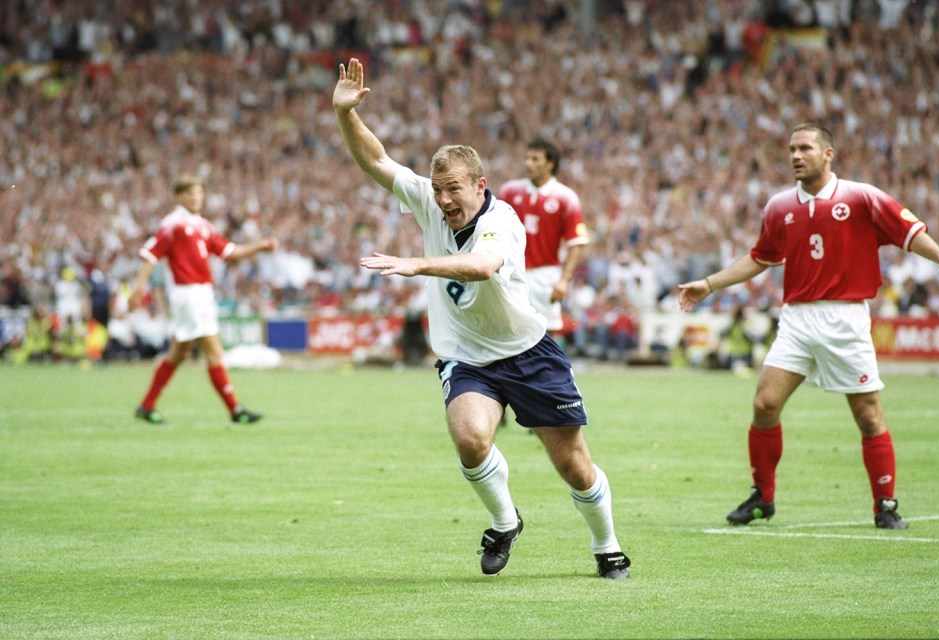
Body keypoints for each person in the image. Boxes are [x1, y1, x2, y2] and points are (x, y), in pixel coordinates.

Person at [333, 58, 630, 579]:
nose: (443, 200)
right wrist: (345, 116)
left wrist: (416, 264)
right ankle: (505, 519)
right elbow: (376, 161)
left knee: (573, 465)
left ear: (479, 185)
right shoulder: (429, 200)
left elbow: (482, 266)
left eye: (454, 189)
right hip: (468, 359)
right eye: (437, 188)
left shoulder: (503, 220)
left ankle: (606, 546)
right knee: (470, 439)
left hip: (528, 352)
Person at [678, 123, 939, 530]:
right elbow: (761, 257)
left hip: (845, 317)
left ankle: (886, 504)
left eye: (805, 148)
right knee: (764, 404)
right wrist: (709, 283)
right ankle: (763, 498)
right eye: (791, 149)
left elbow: (907, 231)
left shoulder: (860, 196)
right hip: (796, 317)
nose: (795, 155)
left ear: (828, 154)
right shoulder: (778, 206)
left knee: (867, 415)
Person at [129, 174, 278, 425]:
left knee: (178, 353)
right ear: (179, 196)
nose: (196, 198)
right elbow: (150, 255)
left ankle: (146, 405)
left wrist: (260, 246)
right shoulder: (173, 223)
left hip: (200, 294)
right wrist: (138, 288)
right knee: (214, 350)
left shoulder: (203, 225)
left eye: (199, 193)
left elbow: (229, 252)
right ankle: (235, 409)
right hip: (189, 294)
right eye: (190, 193)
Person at [498, 138, 589, 339]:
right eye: (527, 158)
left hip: (544, 275)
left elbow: (577, 243)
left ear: (550, 164)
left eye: (535, 159)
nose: (528, 163)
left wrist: (564, 280)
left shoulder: (565, 197)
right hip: (511, 271)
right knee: (507, 330)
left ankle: (548, 370)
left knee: (545, 332)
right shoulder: (509, 191)